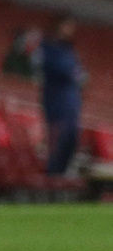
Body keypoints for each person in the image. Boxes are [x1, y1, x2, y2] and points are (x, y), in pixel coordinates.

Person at [41, 17, 86, 176]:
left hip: (71, 109)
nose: (70, 31)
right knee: (57, 148)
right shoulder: (50, 48)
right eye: (67, 26)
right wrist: (76, 74)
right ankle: (51, 181)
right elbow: (66, 72)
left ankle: (60, 179)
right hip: (57, 108)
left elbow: (79, 75)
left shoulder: (70, 51)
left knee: (70, 145)